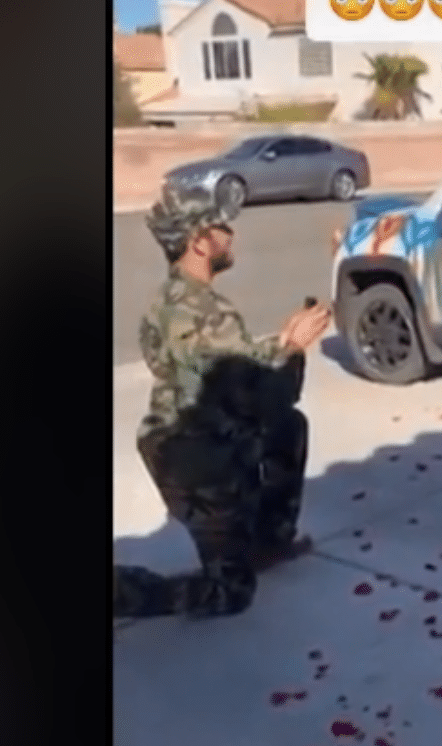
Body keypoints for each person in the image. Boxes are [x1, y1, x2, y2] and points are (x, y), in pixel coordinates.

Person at [114, 182, 334, 619]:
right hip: (202, 466)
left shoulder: (168, 300)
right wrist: (295, 349)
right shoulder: (209, 314)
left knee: (289, 427)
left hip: (188, 445)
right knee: (231, 593)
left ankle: (267, 541)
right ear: (199, 241)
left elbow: (216, 370)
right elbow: (267, 395)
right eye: (221, 227)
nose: (230, 235)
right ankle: (125, 592)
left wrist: (282, 341)